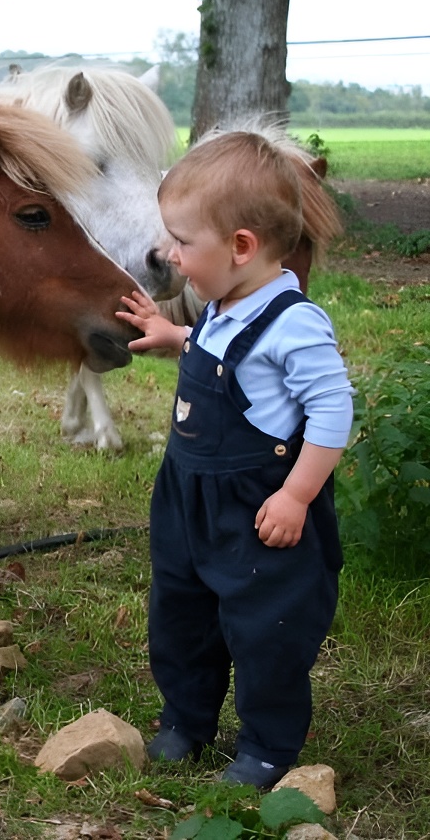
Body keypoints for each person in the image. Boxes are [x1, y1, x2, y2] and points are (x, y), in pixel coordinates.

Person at [117, 130, 355, 789]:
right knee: (182, 614)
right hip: (189, 499)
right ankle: (186, 720)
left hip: (258, 506)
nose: (170, 254)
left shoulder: (295, 322)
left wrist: (299, 494)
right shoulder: (226, 305)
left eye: (183, 242)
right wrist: (175, 337)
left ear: (241, 247)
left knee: (264, 630)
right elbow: (223, 349)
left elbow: (333, 409)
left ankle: (268, 746)